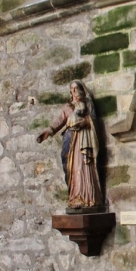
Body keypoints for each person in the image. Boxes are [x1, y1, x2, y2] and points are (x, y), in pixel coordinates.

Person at [37, 80, 103, 210]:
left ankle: (88, 197)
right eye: (71, 89)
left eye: (76, 88)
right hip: (69, 139)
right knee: (70, 168)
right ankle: (75, 197)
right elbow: (59, 121)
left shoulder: (87, 104)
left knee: (84, 166)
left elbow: (94, 122)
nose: (74, 91)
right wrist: (49, 131)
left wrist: (86, 122)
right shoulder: (67, 107)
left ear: (82, 90)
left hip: (83, 139)